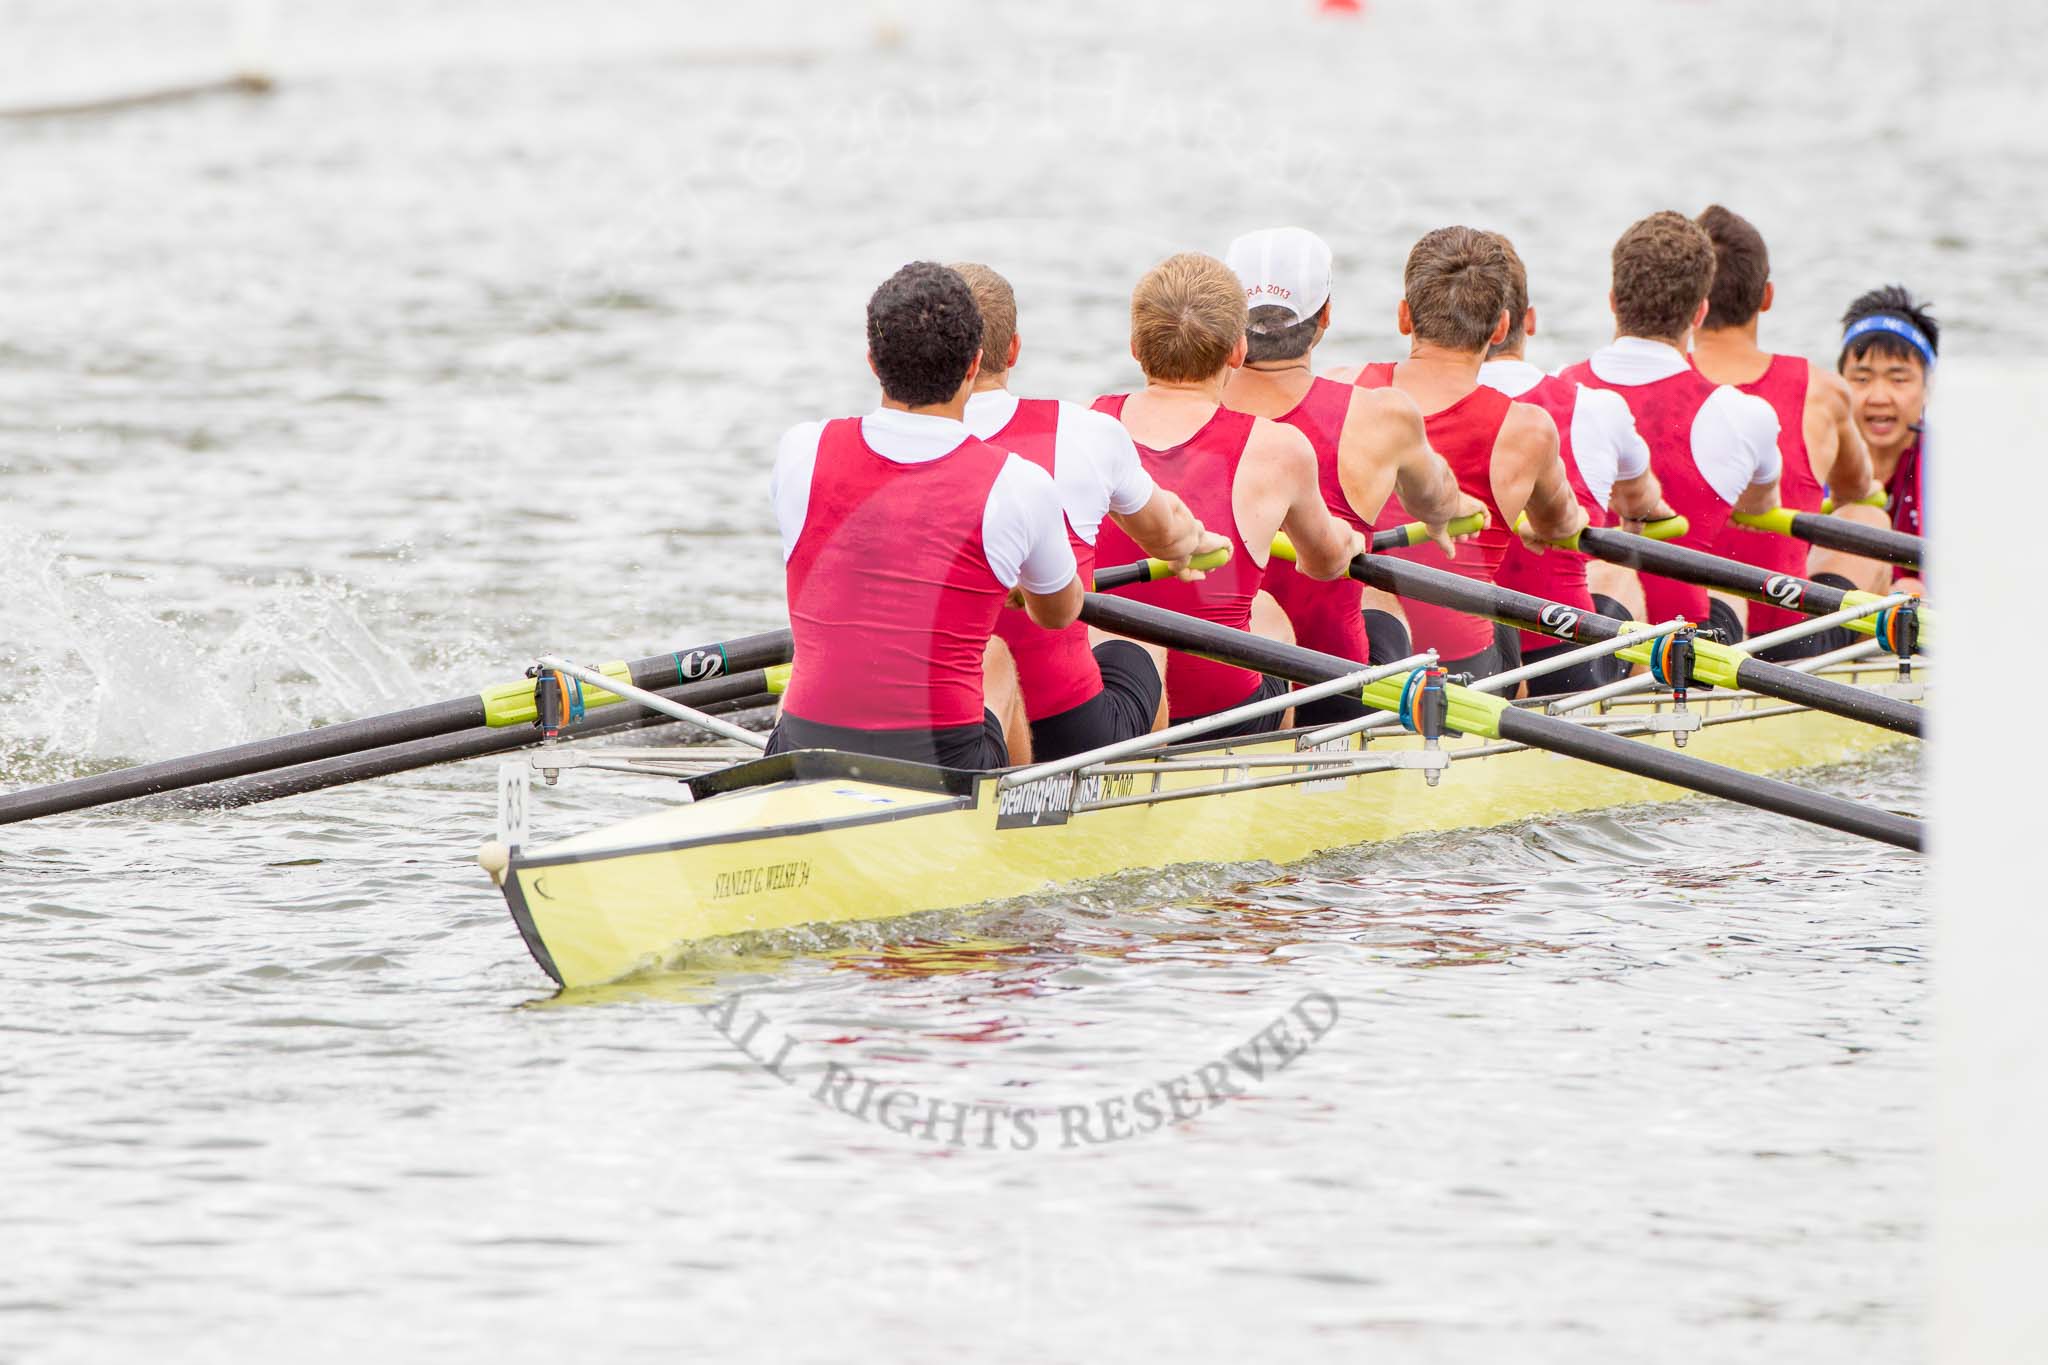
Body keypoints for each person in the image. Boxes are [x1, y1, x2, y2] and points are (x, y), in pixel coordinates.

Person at [768, 261, 1081, 770]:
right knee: (996, 655)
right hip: (943, 765)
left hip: (807, 749)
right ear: (975, 364)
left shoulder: (801, 449)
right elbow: (1059, 613)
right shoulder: (1019, 483)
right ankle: (1022, 819)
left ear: (872, 361)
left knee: (813, 662)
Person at [949, 261, 1224, 763]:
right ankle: (1144, 796)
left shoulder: (886, 448)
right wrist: (1197, 544)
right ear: (1013, 350)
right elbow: (1169, 539)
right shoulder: (1085, 430)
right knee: (1142, 635)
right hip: (1065, 729)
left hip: (936, 716)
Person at [1093, 251, 1365, 737]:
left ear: (1135, 347)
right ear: (1238, 351)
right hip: (1220, 708)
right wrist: (1350, 541)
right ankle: (1275, 765)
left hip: (1117, 696)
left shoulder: (1090, 421)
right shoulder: (1279, 447)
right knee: (1269, 614)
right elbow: (1324, 563)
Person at [1218, 226, 1481, 724]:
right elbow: (1436, 501)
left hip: (1225, 680)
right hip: (1335, 687)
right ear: (1327, 317)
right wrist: (1452, 513)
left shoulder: (1184, 414)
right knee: (1382, 596)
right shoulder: (1381, 416)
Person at [1328, 226, 1589, 678]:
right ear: (1502, 326)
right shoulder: (1527, 429)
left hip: (1358, 652)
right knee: (1506, 599)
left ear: (1404, 317)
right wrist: (1548, 522)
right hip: (1465, 667)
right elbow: (1559, 526)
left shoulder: (1340, 387)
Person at [1556, 211, 1782, 644]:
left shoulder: (1558, 388)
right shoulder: (1746, 414)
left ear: (1612, 301)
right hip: (1687, 643)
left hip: (1576, 635)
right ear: (1700, 313)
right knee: (1732, 592)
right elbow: (1758, 508)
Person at [1477, 231, 1672, 695]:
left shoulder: (1401, 407)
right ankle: (1648, 702)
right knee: (1621, 559)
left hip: (1447, 659)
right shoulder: (1594, 407)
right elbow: (1643, 506)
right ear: (1527, 321)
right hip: (1563, 661)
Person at [1691, 206, 1889, 654]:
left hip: (1684, 637)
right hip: (1792, 643)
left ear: (1690, 303)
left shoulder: (1655, 391)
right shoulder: (1823, 392)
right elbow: (1855, 493)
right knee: (1869, 518)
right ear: (1767, 296)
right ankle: (1849, 672)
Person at [1837, 285, 1935, 597]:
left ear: (1928, 387)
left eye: (1899, 379)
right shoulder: (1816, 458)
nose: (1879, 397)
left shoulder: (1957, 465)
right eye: (1862, 379)